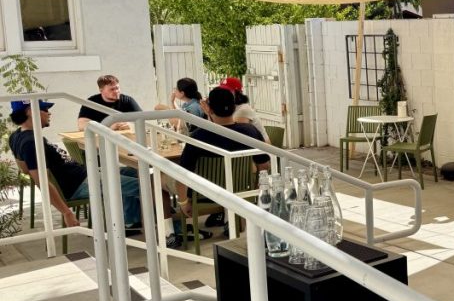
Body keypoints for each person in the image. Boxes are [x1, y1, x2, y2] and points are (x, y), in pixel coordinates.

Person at [9, 99, 176, 242]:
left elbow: (24, 168)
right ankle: (171, 230)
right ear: (31, 111)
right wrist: (66, 212)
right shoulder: (31, 143)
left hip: (84, 175)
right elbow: (42, 182)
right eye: (45, 109)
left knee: (136, 171)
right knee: (151, 184)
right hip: (79, 184)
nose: (49, 113)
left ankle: (131, 221)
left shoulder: (17, 136)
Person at [176, 87, 271, 229]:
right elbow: (264, 165)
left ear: (210, 108)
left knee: (160, 180)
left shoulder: (199, 136)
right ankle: (229, 219)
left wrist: (183, 202)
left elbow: (182, 174)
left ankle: (169, 232)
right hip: (240, 188)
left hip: (205, 194)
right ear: (234, 107)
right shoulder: (249, 131)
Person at [77, 74, 142, 131]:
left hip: (125, 139)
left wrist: (130, 125)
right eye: (112, 89)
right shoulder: (92, 102)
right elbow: (81, 125)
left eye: (117, 88)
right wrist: (108, 127)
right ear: (101, 90)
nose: (116, 91)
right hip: (100, 139)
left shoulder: (127, 100)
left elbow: (143, 119)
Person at [219, 76, 269, 142]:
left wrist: (210, 113)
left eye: (227, 91)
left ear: (237, 94)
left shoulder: (243, 110)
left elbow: (231, 131)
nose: (223, 94)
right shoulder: (230, 108)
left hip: (262, 148)